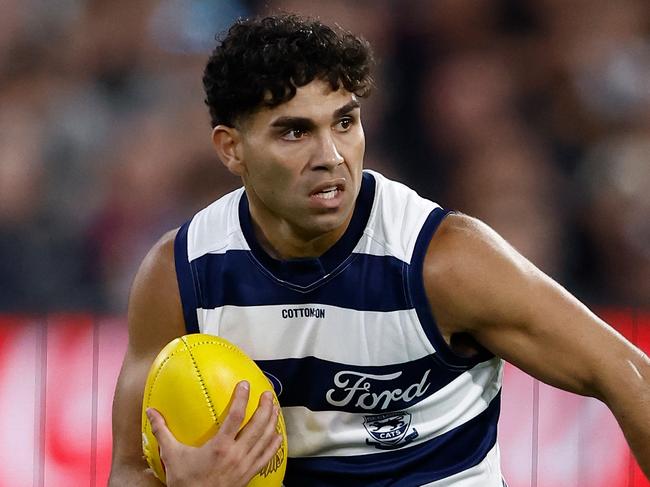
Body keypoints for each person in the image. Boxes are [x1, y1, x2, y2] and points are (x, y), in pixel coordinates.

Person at [109, 14, 650, 487]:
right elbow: (133, 469)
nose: (332, 156)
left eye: (344, 122)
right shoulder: (180, 275)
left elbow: (626, 374)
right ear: (231, 149)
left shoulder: (442, 260)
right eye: (295, 133)